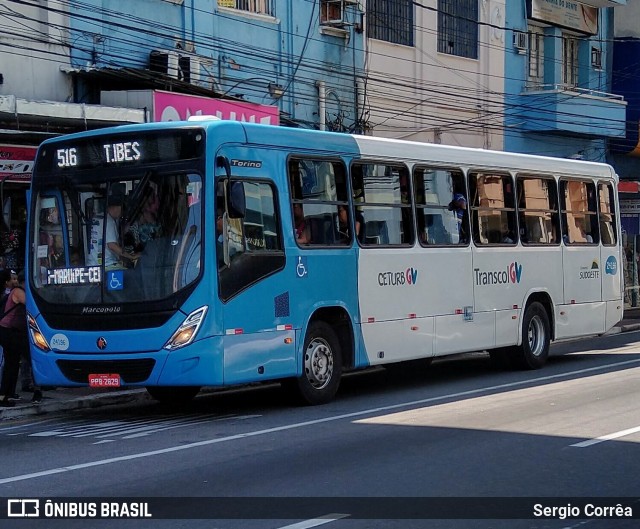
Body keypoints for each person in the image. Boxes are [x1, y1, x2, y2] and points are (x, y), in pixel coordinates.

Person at [0, 271, 41, 405]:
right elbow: (31, 305)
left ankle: (6, 395)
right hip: (12, 333)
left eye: (17, 279)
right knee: (30, 359)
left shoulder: (13, 291)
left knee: (11, 363)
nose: (15, 281)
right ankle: (37, 391)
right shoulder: (18, 291)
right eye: (13, 279)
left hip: (9, 332)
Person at [105, 195, 137, 268]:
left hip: (96, 263)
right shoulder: (110, 222)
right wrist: (131, 257)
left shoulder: (100, 218)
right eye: (122, 209)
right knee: (130, 276)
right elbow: (112, 246)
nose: (122, 213)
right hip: (108, 264)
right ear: (117, 207)